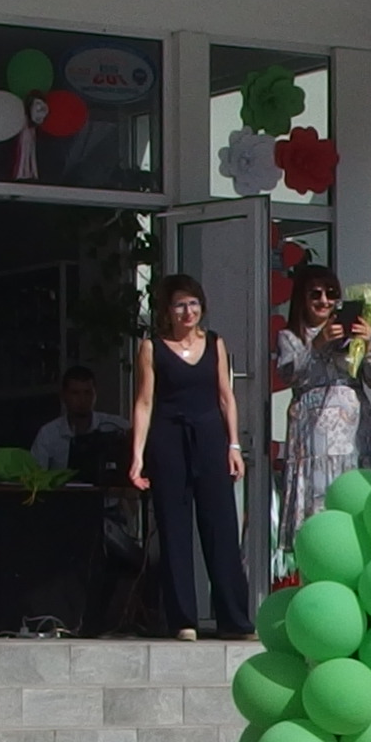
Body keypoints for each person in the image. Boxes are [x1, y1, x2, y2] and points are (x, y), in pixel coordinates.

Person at [126, 274, 249, 640]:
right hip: (169, 439)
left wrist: (234, 445)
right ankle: (183, 619)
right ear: (167, 310)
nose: (188, 311)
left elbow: (226, 396)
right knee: (175, 529)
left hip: (209, 437)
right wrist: (137, 456)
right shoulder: (152, 348)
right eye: (179, 305)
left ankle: (234, 619)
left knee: (221, 528)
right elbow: (144, 402)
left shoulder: (214, 343)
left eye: (193, 303)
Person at [274, 265, 371, 522]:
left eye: (331, 293)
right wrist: (317, 344)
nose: (324, 300)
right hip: (313, 432)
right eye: (315, 294)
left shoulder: (350, 334)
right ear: (302, 298)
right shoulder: (291, 337)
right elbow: (288, 375)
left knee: (354, 492)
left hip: (353, 429)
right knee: (318, 498)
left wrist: (367, 345)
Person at [26, 365, 127, 477]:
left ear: (95, 394)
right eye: (75, 393)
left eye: (87, 393)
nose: (82, 399)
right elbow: (35, 476)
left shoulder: (116, 426)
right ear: (63, 396)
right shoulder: (48, 434)